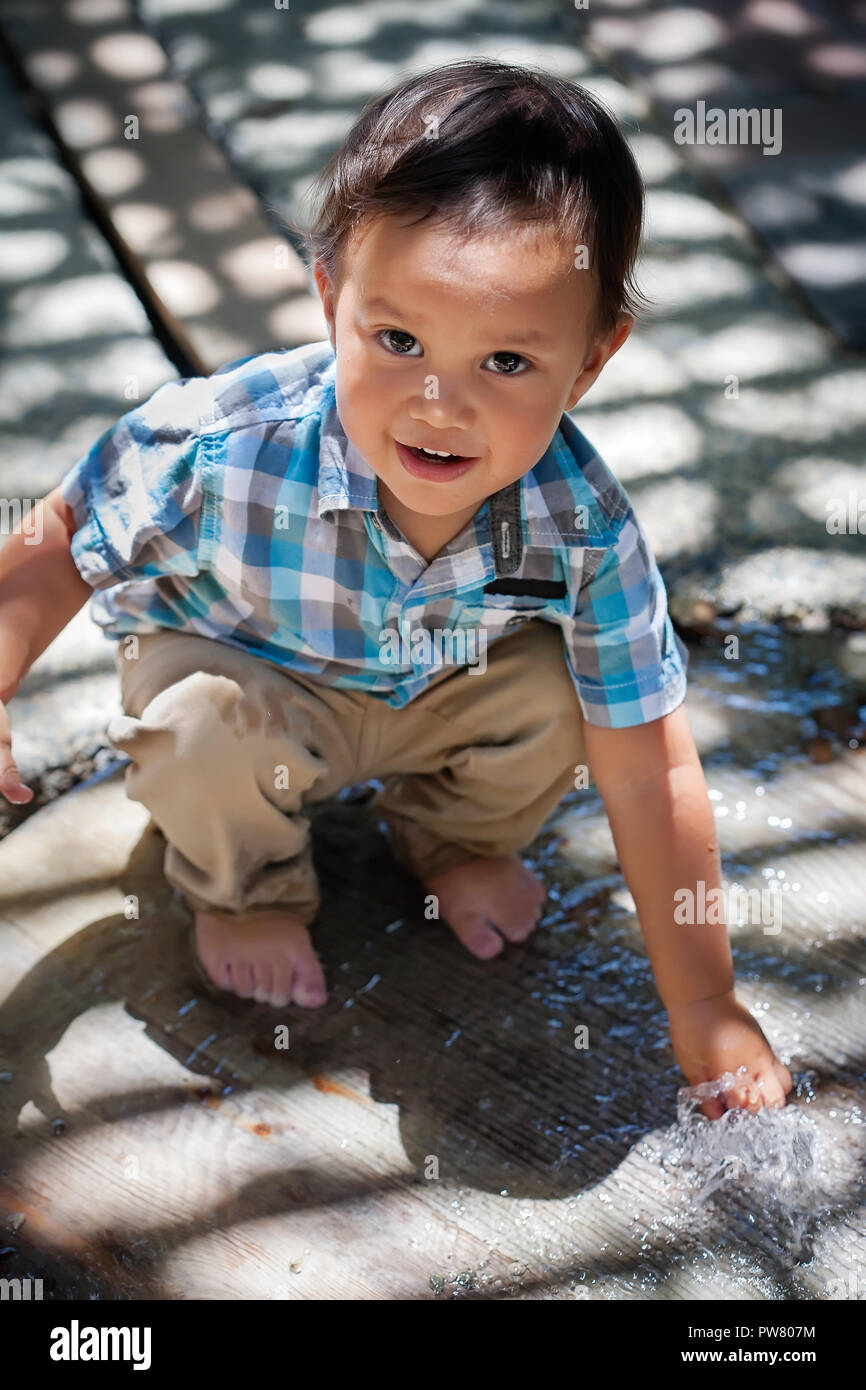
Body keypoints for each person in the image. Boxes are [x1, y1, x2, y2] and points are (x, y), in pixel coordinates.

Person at [0, 60, 792, 1118]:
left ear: (591, 362)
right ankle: (245, 892)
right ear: (332, 298)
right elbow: (57, 538)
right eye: (398, 339)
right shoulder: (228, 443)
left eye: (505, 362)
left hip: (432, 697)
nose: (437, 403)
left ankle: (454, 839)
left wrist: (705, 998)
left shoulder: (582, 526)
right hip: (254, 687)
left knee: (567, 697)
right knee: (195, 727)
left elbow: (648, 761)